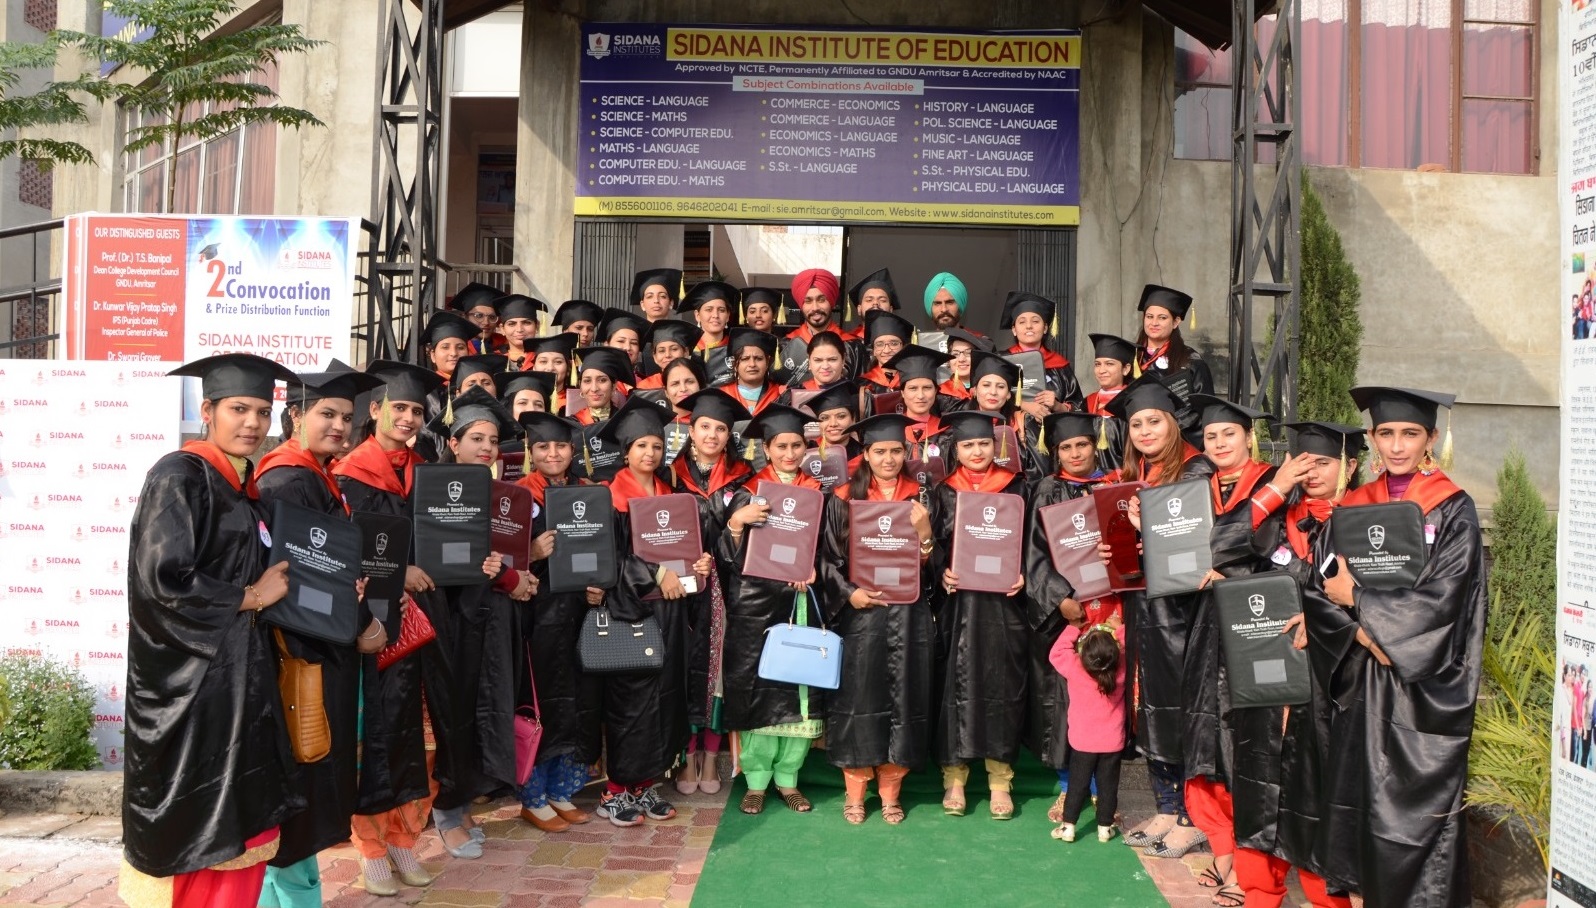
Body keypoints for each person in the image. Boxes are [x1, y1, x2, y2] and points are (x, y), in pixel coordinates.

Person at [121, 353, 302, 908]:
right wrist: (249, 596)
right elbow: (161, 580)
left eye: (262, 411)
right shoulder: (179, 475)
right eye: (238, 409)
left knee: (243, 820)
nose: (253, 422)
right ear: (207, 411)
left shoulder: (245, 487)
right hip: (192, 688)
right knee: (197, 822)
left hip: (242, 680)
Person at [1306, 387, 1485, 908]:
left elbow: (1447, 598)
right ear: (1372, 437)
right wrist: (1365, 633)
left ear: (1432, 438)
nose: (1398, 445)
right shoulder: (1353, 506)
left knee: (1412, 819)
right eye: (1386, 433)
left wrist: (1361, 602)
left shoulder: (1453, 508)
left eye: (1410, 433)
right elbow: (1319, 588)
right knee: (1359, 810)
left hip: (1420, 689)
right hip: (1360, 681)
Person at [256, 368, 387, 908]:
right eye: (326, 414)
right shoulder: (288, 481)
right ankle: (289, 897)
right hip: (303, 650)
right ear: (295, 416)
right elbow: (306, 578)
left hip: (320, 643)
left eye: (346, 417)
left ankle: (294, 892)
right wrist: (362, 627)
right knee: (301, 783)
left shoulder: (317, 474)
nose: (339, 425)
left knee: (308, 787)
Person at [1229, 421, 1363, 908]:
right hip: (1269, 679)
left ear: (1350, 465)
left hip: (1332, 687)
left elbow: (1385, 602)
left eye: (1323, 463)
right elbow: (1219, 544)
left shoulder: (1367, 523)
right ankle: (1258, 894)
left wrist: (1323, 618)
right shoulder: (1276, 518)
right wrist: (1274, 488)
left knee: (1316, 799)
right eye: (1303, 464)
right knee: (1260, 788)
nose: (1312, 473)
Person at [333, 360, 447, 895]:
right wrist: (399, 574)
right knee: (373, 739)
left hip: (420, 627)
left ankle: (405, 838)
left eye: (417, 411)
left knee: (418, 741)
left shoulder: (425, 471)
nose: (408, 418)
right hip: (374, 627)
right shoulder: (348, 475)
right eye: (399, 407)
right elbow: (344, 553)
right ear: (375, 409)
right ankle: (372, 848)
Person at [1177, 394, 1295, 899]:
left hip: (1256, 628)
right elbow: (1191, 552)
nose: (1220, 442)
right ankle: (1223, 852)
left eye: (1230, 433)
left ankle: (1250, 872)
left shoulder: (1276, 483)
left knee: (1244, 746)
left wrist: (1235, 574)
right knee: (1206, 740)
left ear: (1249, 437)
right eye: (1211, 436)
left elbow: (1274, 554)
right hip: (1207, 626)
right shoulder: (1196, 491)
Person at [1103, 375, 1214, 858]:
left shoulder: (1195, 471)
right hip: (1144, 605)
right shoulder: (1134, 477)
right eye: (1137, 424)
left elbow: (1194, 544)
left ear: (1173, 423)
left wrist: (1145, 529)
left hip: (1184, 608)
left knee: (1181, 706)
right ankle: (1166, 808)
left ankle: (1193, 816)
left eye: (1154, 421)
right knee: (1148, 705)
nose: (1145, 431)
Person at [421, 388, 534, 858]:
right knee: (453, 713)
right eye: (475, 439)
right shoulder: (433, 488)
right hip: (450, 617)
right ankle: (445, 811)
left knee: (482, 710)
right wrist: (502, 575)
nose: (486, 447)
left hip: (491, 618)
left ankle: (463, 800)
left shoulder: (501, 494)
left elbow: (509, 561)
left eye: (491, 440)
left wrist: (516, 571)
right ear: (453, 442)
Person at [594, 397, 711, 826]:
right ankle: (614, 790)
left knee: (664, 697)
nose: (650, 453)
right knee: (631, 701)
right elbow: (609, 558)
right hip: (631, 613)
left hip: (672, 613)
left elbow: (685, 554)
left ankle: (645, 785)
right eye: (641, 446)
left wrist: (698, 566)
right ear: (626, 451)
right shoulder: (609, 497)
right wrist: (657, 571)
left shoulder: (672, 498)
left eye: (657, 446)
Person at [818, 414, 936, 825]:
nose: (889, 459)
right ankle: (854, 792)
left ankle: (890, 792)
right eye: (880, 451)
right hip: (862, 615)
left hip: (908, 614)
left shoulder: (921, 497)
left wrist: (925, 534)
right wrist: (849, 593)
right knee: (859, 700)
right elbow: (828, 559)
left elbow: (935, 565)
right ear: (865, 454)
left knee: (905, 700)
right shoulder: (843, 498)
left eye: (896, 451)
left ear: (905, 453)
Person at [718, 404, 827, 816]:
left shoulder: (819, 494)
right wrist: (736, 524)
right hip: (756, 606)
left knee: (798, 689)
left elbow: (833, 550)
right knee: (759, 691)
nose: (789, 453)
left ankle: (789, 779)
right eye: (781, 446)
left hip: (800, 603)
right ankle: (757, 781)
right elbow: (726, 557)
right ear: (766, 448)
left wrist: (814, 569)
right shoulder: (748, 492)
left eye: (797, 445)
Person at [927, 409, 1030, 821]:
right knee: (954, 686)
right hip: (958, 604)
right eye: (968, 445)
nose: (976, 451)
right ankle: (954, 778)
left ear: (995, 445)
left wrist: (1024, 574)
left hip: (1004, 605)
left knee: (1001, 686)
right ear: (956, 449)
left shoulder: (1017, 486)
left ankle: (1000, 779)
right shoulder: (943, 491)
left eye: (984, 443)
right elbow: (931, 543)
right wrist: (941, 571)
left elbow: (1033, 543)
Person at [1023, 411, 1118, 826]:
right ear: (1055, 451)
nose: (1075, 453)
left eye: (1082, 444)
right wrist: (1060, 599)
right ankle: (1070, 786)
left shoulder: (1114, 485)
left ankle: (1103, 788)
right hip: (1068, 614)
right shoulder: (1047, 490)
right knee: (1069, 701)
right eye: (1066, 447)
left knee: (1109, 697)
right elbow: (1033, 553)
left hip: (1112, 605)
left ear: (1095, 445)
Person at [513, 411, 602, 834]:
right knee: (544, 701)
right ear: (530, 452)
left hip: (580, 612)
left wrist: (600, 585)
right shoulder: (516, 496)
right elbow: (499, 558)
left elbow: (605, 551)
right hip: (538, 614)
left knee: (579, 700)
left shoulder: (589, 493)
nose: (553, 453)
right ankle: (533, 796)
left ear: (573, 450)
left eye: (561, 445)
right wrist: (530, 553)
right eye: (543, 446)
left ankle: (563, 790)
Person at [669, 390, 755, 797]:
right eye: (705, 426)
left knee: (717, 673)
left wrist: (729, 535)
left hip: (723, 589)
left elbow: (747, 543)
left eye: (721, 429)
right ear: (691, 429)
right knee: (684, 669)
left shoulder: (742, 479)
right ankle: (686, 757)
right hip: (678, 588)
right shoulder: (670, 476)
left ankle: (710, 755)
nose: (712, 435)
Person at [1048, 615, 1127, 843]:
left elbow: (1056, 653)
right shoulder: (1121, 668)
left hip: (1082, 743)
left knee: (1077, 785)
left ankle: (1068, 827)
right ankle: (1105, 828)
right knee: (1108, 787)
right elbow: (1136, 650)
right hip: (1112, 743)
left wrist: (1073, 628)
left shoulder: (1076, 667)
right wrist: (1120, 628)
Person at [1134, 284, 1213, 438]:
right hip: (1138, 437)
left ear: (1176, 322)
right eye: (1149, 316)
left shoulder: (1190, 360)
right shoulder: (1131, 357)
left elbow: (1204, 407)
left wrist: (1168, 429)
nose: (1154, 323)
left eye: (1162, 318)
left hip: (1178, 439)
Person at [958, 350, 1044, 481]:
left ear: (1008, 394)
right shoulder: (960, 424)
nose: (993, 392)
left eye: (1001, 387)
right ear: (974, 391)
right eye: (986, 385)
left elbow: (1039, 473)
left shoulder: (1023, 424)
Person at [999, 291, 1085, 418]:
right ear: (1014, 330)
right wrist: (1024, 405)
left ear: (1045, 328)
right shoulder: (1001, 361)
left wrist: (1058, 406)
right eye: (1022, 322)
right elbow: (989, 397)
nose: (1029, 326)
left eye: (1035, 321)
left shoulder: (1060, 365)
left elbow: (1079, 408)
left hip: (1052, 428)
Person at [417, 310, 482, 461]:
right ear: (433, 355)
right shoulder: (424, 392)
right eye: (445, 347)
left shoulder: (476, 389)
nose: (453, 353)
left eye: (460, 347)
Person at [779, 268, 854, 386]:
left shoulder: (852, 346)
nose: (815, 308)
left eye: (821, 300)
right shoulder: (786, 346)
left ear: (831, 302)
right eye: (808, 301)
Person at [1084, 333, 1136, 474]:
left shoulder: (1133, 403)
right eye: (1097, 364)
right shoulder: (1087, 403)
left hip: (1126, 477)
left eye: (1109, 364)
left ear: (1126, 369)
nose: (1102, 370)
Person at [679, 280, 738, 387]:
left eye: (721, 310)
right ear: (697, 315)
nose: (715, 315)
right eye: (709, 310)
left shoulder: (736, 349)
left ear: (728, 316)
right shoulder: (687, 351)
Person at [717, 327, 785, 415]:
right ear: (734, 364)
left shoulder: (780, 394)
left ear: (767, 362)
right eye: (745, 359)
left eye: (758, 358)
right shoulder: (722, 395)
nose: (752, 364)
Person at [856, 309, 915, 398]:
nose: (887, 350)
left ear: (903, 347)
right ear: (873, 350)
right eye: (880, 344)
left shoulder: (914, 381)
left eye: (894, 344)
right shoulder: (861, 384)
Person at [633, 319, 703, 390]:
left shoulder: (697, 383)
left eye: (674, 349)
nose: (667, 355)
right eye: (661, 351)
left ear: (686, 352)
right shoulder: (645, 387)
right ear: (655, 357)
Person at [450, 282, 507, 354]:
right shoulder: (456, 349)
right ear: (465, 317)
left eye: (492, 317)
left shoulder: (506, 344)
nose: (486, 322)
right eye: (479, 316)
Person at [495, 295, 548, 369]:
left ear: (537, 326)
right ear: (502, 329)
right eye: (512, 324)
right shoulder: (493, 359)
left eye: (526, 323)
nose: (519, 329)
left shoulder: (547, 358)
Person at [939, 328, 991, 401]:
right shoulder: (940, 393)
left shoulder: (990, 391)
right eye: (955, 354)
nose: (961, 359)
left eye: (968, 353)